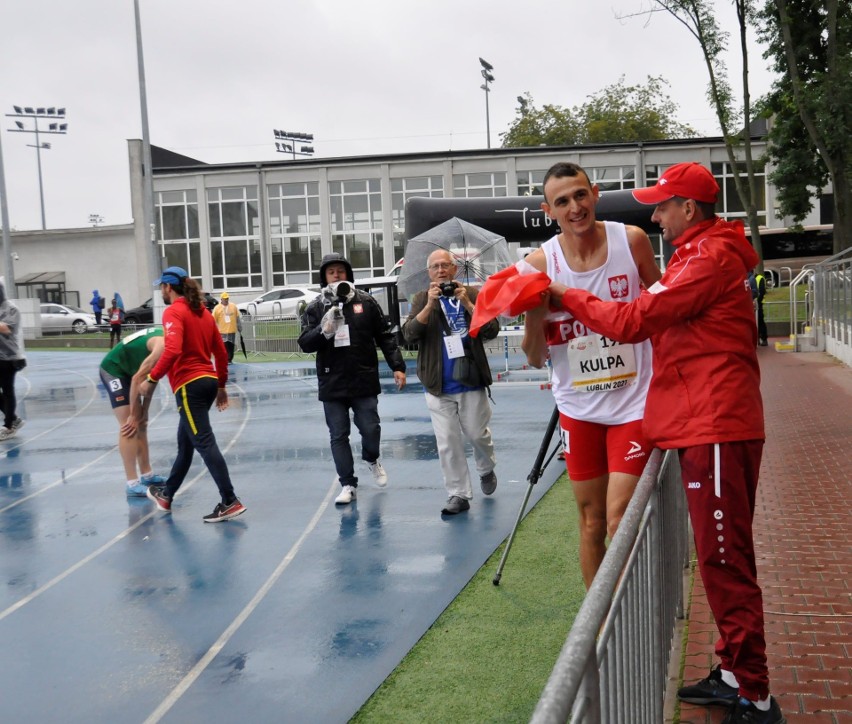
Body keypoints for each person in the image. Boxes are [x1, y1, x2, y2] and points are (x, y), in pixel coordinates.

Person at [548, 162, 783, 724]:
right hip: (708, 422)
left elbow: (633, 321)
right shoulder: (698, 253)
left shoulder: (706, 258)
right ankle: (732, 671)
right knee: (718, 555)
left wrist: (564, 292)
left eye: (663, 205)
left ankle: (755, 693)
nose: (654, 215)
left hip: (717, 424)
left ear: (689, 210)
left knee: (726, 561)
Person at [521, 161, 660, 588]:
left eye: (581, 195)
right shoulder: (539, 264)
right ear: (549, 210)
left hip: (633, 403)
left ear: (595, 193)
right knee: (591, 522)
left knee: (620, 519)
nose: (575, 207)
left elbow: (663, 312)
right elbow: (531, 356)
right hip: (579, 409)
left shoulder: (630, 241)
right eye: (563, 201)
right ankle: (600, 634)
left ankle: (628, 615)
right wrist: (537, 313)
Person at [135, 266, 246, 523]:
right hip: (206, 383)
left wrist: (151, 379)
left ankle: (229, 500)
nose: (160, 291)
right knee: (186, 445)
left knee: (204, 442)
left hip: (189, 386)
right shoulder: (205, 314)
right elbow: (220, 353)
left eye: (161, 287)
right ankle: (167, 494)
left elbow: (171, 350)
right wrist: (220, 387)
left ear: (168, 287)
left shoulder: (173, 312)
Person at [298, 252, 406, 506]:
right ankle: (348, 483)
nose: (336, 275)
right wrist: (323, 331)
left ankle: (372, 457)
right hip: (331, 380)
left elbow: (385, 335)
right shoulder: (315, 306)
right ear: (324, 276)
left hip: (363, 377)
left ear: (348, 274)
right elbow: (304, 343)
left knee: (371, 427)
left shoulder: (366, 302)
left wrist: (397, 366)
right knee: (338, 435)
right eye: (331, 272)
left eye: (340, 271)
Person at [402, 249, 499, 516]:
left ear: (455, 269)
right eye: (435, 266)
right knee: (447, 441)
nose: (441, 270)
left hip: (470, 378)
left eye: (446, 265)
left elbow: (492, 329)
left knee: (477, 434)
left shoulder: (473, 294)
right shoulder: (422, 298)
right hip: (437, 383)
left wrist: (468, 303)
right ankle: (458, 493)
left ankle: (486, 467)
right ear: (429, 273)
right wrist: (429, 306)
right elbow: (409, 334)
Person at [99, 327, 168, 496]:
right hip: (114, 370)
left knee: (142, 422)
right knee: (129, 425)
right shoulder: (163, 347)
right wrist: (133, 414)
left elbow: (152, 379)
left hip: (132, 372)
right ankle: (131, 482)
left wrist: (144, 410)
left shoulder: (170, 344)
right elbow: (137, 379)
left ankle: (147, 474)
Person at [0, 279, 26, 441]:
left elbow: (6, 328)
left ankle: (9, 425)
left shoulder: (11, 309)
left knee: (8, 390)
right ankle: (14, 418)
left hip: (9, 357)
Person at [212, 292, 242, 363]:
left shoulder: (233, 306)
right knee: (224, 346)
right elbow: (212, 320)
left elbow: (237, 317)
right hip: (222, 331)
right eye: (225, 299)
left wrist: (239, 326)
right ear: (221, 299)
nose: (226, 300)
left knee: (231, 346)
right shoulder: (217, 308)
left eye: (227, 298)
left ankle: (230, 359)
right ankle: (225, 359)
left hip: (231, 330)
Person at [755, 270, 768, 346]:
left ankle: (764, 338)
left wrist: (757, 300)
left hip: (758, 303)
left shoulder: (760, 278)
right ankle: (758, 338)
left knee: (760, 321)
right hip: (753, 303)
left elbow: (762, 291)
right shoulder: (747, 278)